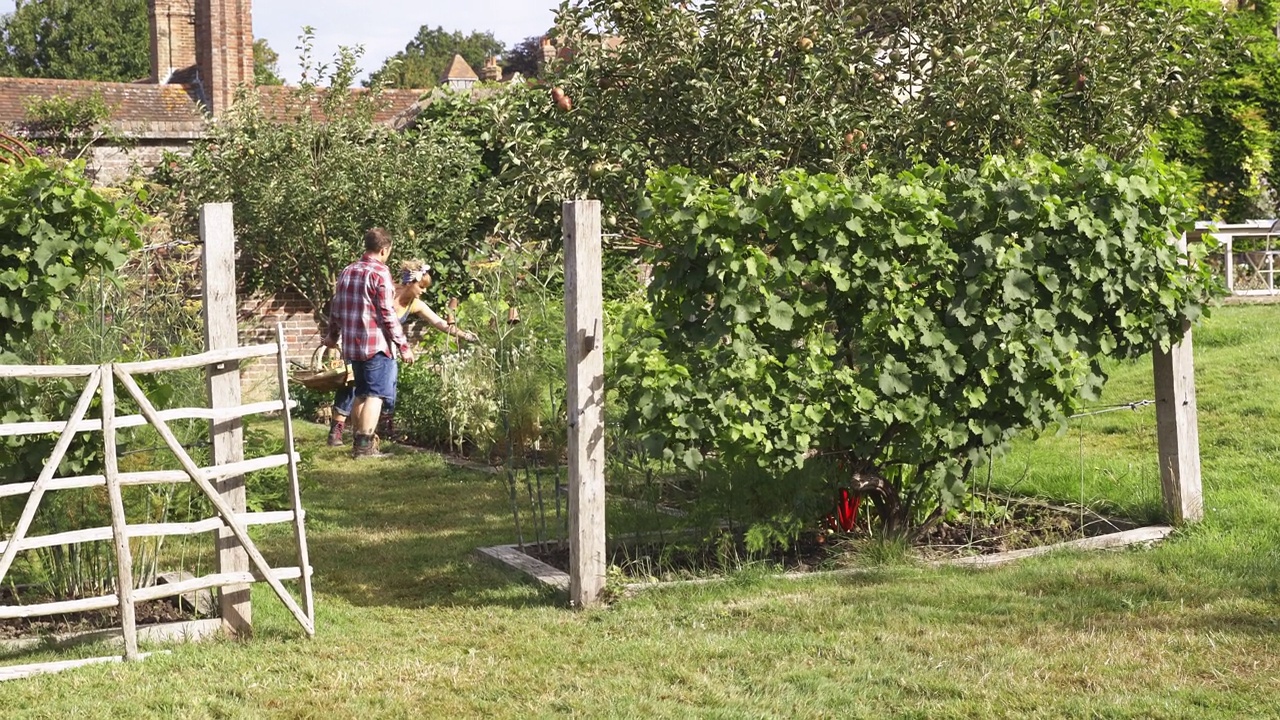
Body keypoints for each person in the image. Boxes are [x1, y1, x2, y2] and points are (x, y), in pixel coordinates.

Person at [326, 258, 479, 447]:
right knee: (353, 387)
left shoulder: (415, 304)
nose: (423, 291)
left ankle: (375, 434)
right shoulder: (387, 291)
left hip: (386, 351)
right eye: (421, 286)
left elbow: (439, 322)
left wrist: (465, 335)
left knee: (382, 390)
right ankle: (344, 435)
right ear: (411, 282)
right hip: (363, 343)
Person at [322, 228, 415, 459]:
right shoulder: (380, 273)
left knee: (361, 392)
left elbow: (337, 306)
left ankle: (358, 444)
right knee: (375, 395)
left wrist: (333, 336)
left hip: (353, 346)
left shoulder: (348, 270)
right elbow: (387, 313)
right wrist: (403, 345)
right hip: (376, 346)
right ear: (384, 249)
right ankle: (365, 447)